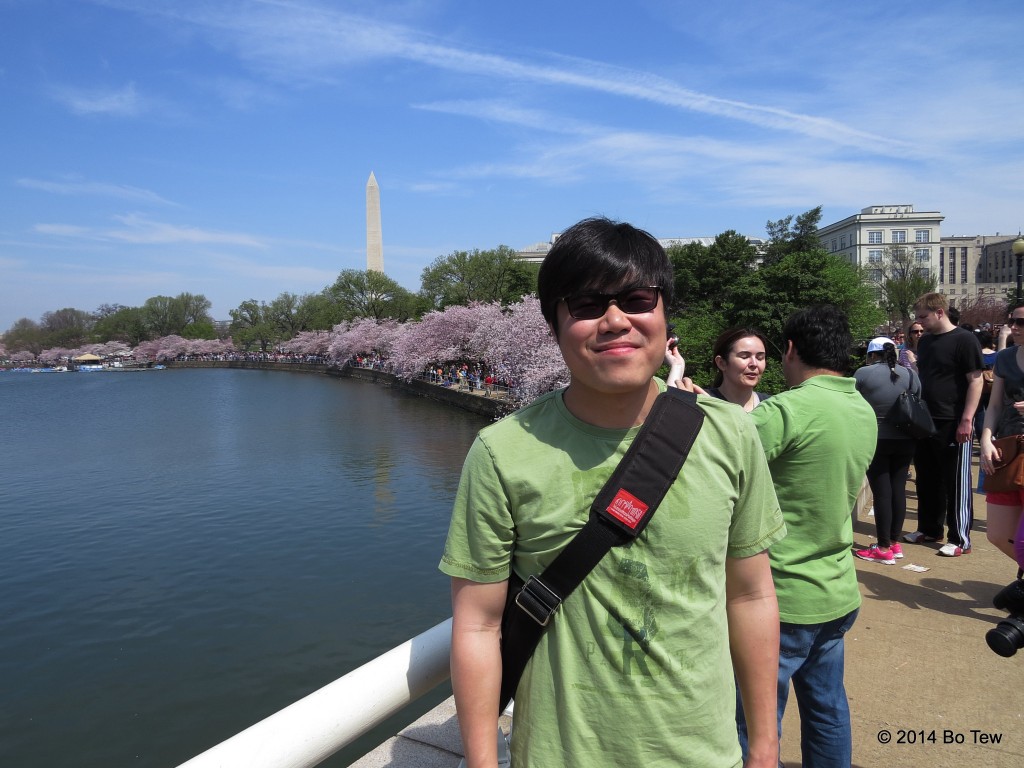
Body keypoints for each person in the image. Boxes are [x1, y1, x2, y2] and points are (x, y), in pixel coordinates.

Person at [440, 217, 786, 768]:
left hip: (703, 750)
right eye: (585, 304)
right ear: (555, 325)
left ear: (665, 316)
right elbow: (478, 624)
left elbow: (751, 594)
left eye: (637, 299)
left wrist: (764, 745)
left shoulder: (731, 435)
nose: (615, 320)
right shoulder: (501, 452)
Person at [736, 304, 876, 768]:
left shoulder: (788, 410)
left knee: (754, 723)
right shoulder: (861, 408)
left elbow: (715, 454)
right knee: (827, 709)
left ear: (791, 349)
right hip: (835, 589)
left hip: (781, 595)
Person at [904, 293, 983, 557]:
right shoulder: (925, 342)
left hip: (953, 420)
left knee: (955, 481)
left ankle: (960, 538)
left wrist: (967, 419)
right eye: (917, 317)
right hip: (926, 419)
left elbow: (976, 380)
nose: (919, 323)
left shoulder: (965, 339)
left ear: (939, 312)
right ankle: (929, 528)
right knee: (927, 477)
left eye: (923, 317)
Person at [853, 337, 920, 564]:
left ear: (872, 354)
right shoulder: (911, 374)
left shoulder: (863, 373)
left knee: (882, 492)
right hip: (906, 439)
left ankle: (882, 548)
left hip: (877, 438)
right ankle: (893, 542)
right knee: (898, 489)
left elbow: (852, 404)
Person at [980, 306, 1024, 571]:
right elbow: (994, 405)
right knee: (996, 533)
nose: (1014, 326)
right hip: (1007, 449)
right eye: (1012, 321)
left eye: (1021, 322)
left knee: (1021, 541)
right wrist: (986, 438)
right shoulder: (1005, 357)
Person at [705, 327, 771, 412]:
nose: (754, 364)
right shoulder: (702, 403)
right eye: (744, 357)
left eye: (760, 358)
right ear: (721, 363)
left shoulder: (771, 407)